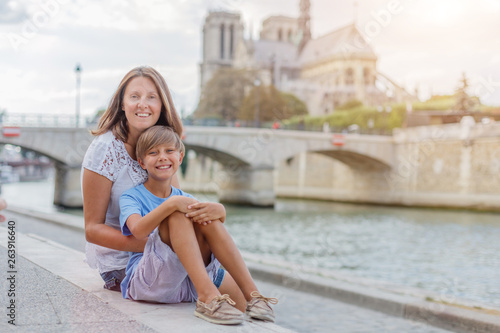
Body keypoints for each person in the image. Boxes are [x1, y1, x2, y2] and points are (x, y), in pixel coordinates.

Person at [119, 126, 277, 325]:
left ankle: (253, 296)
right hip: (150, 281)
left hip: (186, 280)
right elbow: (138, 231)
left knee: (205, 215)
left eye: (169, 151)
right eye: (153, 152)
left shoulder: (185, 199)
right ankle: (208, 298)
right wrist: (171, 204)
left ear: (180, 157)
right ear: (141, 162)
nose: (162, 157)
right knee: (177, 215)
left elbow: (207, 234)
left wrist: (221, 211)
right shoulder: (131, 197)